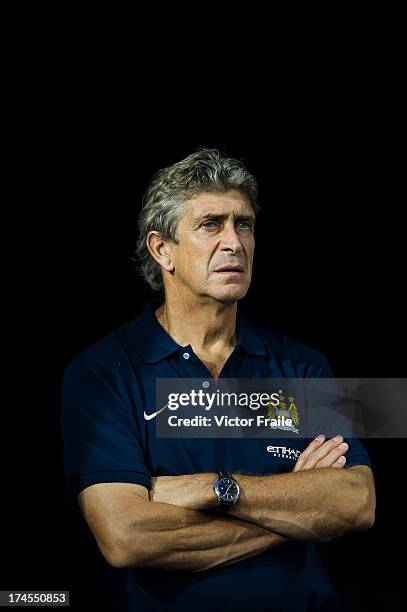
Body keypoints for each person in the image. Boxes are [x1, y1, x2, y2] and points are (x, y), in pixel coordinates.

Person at [61, 148, 376, 611]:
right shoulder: (101, 373)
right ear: (162, 249)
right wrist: (295, 507)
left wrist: (213, 489)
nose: (234, 242)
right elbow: (126, 536)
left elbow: (357, 502)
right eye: (211, 224)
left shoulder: (305, 365)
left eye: (243, 224)